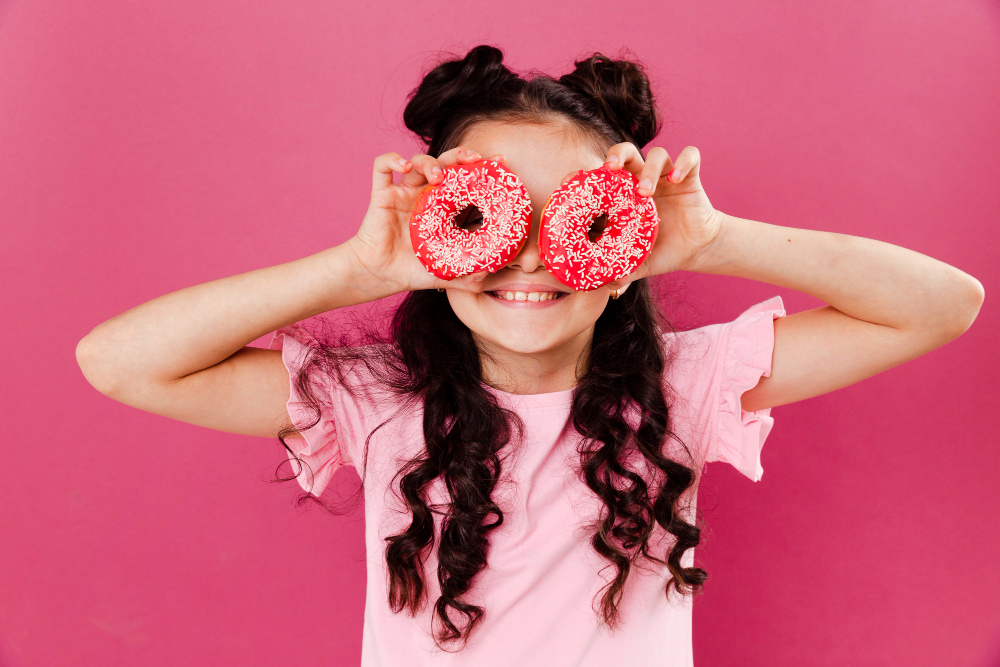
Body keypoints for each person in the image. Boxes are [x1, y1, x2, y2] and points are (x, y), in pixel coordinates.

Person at [75, 44, 984, 666]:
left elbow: (944, 305)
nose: (530, 255)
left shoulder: (683, 387)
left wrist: (711, 239)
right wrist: (356, 268)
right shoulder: (380, 402)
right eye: (485, 218)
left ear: (629, 248)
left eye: (576, 221)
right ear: (437, 238)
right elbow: (121, 361)